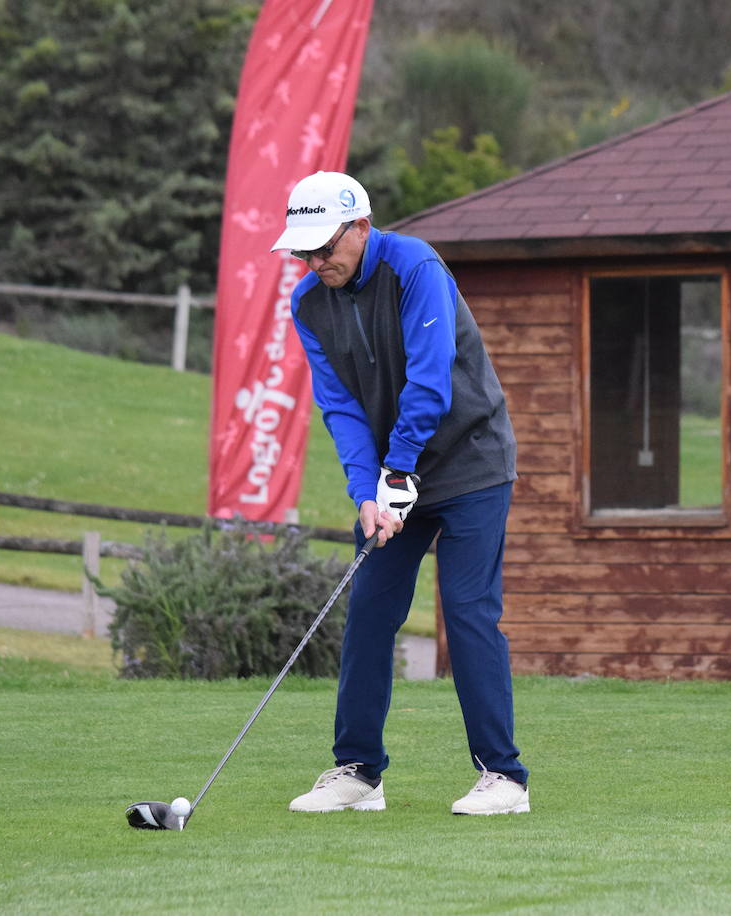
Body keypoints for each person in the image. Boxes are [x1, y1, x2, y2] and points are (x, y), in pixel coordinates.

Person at [271, 170, 529, 816]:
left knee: (468, 611)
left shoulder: (414, 266)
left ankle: (504, 777)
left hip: (471, 462)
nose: (315, 261)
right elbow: (342, 411)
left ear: (361, 226)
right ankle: (358, 771)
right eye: (304, 250)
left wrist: (400, 470)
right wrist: (368, 491)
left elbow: (430, 376)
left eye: (325, 246)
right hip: (390, 478)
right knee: (370, 612)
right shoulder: (309, 304)